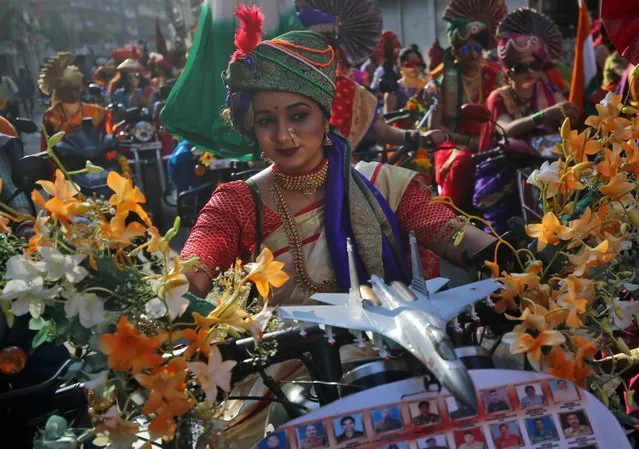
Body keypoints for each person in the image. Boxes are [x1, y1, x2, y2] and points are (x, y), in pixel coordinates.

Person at [181, 8, 496, 304]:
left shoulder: (382, 185)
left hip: (391, 353)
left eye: (299, 116)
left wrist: (510, 257)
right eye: (266, 121)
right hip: (295, 361)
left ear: (325, 117)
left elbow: (451, 234)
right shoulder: (237, 202)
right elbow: (194, 269)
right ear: (251, 128)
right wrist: (161, 302)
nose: (282, 135)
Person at [473, 8, 580, 233]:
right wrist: (543, 115)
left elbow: (570, 122)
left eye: (535, 65)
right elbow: (506, 129)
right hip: (509, 168)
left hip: (551, 165)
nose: (529, 71)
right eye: (520, 67)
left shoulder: (551, 91)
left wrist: (573, 116)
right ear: (507, 71)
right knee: (504, 233)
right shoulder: (499, 96)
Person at [428, 0, 507, 211]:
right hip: (453, 144)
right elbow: (435, 128)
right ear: (454, 52)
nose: (473, 53)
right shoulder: (443, 81)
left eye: (478, 47)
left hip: (490, 141)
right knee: (462, 162)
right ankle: (447, 219)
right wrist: (466, 141)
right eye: (466, 48)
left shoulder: (495, 76)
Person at [38, 52, 113, 152]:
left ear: (81, 89)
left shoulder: (97, 113)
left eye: (75, 88)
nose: (72, 93)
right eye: (67, 89)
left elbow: (108, 143)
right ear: (59, 91)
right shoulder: (51, 116)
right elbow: (46, 149)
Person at [384, 45, 427, 113]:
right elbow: (388, 118)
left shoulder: (427, 86)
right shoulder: (394, 89)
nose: (414, 67)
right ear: (401, 65)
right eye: (409, 64)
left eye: (417, 63)